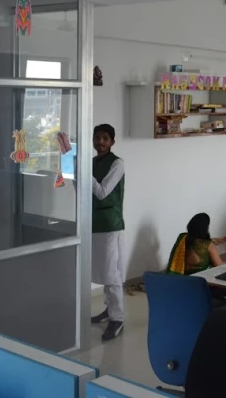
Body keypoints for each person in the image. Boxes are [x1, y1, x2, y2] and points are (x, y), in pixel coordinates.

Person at [89, 124, 126, 341]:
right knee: (103, 270)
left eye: (105, 138)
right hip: (93, 223)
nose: (100, 142)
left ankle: (117, 318)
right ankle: (109, 309)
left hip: (110, 225)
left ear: (112, 142)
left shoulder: (117, 163)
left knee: (112, 273)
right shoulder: (92, 162)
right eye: (97, 138)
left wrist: (85, 173)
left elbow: (102, 192)